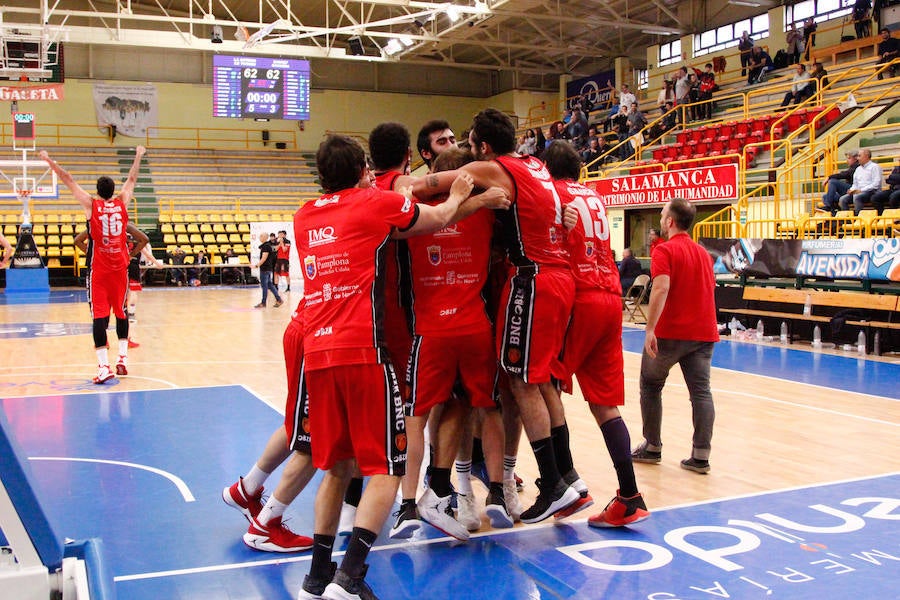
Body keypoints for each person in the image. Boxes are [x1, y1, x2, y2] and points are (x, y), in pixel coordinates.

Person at [293, 134, 483, 600]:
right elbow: (437, 218)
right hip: (364, 350)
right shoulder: (374, 204)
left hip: (317, 353)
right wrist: (461, 193)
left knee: (337, 467)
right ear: (363, 170)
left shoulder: (304, 216)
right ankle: (350, 576)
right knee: (386, 468)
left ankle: (317, 578)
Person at [411, 108, 584, 525]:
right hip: (551, 281)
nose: (460, 147)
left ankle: (537, 483)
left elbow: (417, 187)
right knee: (527, 385)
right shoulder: (536, 166)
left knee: (516, 386)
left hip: (525, 283)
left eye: (466, 141)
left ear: (483, 147)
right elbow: (556, 205)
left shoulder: (488, 173)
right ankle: (560, 478)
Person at [545, 141, 651, 528]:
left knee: (543, 386)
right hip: (610, 299)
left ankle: (564, 485)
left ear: (547, 169)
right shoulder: (594, 196)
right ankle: (630, 496)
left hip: (579, 298)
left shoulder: (554, 194)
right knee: (604, 405)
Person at [41, 146, 146, 383]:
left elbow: (68, 179)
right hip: (120, 268)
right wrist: (138, 155)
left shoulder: (91, 205)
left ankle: (103, 367)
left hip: (100, 270)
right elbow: (131, 179)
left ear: (97, 192)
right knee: (121, 312)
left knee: (99, 316)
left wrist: (49, 161)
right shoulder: (122, 202)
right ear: (113, 191)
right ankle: (122, 359)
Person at [632, 198, 719, 474]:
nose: (660, 218)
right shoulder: (703, 253)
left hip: (670, 333)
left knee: (650, 385)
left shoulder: (664, 250)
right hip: (703, 333)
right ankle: (701, 456)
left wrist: (650, 329)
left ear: (670, 221)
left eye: (662, 214)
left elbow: (661, 288)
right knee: (701, 393)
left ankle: (652, 446)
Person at [839, 148, 884, 214]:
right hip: (859, 191)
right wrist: (852, 190)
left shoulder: (875, 167)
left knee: (857, 197)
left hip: (871, 191)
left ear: (866, 156)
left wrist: (861, 190)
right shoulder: (858, 169)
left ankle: (858, 217)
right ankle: (848, 218)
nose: (857, 158)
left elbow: (876, 184)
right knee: (842, 199)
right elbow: (855, 184)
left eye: (859, 156)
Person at [819, 150, 860, 214]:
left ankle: (829, 206)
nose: (847, 161)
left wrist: (829, 177)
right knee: (825, 196)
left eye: (849, 158)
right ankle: (834, 211)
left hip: (854, 190)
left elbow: (844, 174)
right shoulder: (852, 167)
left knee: (832, 182)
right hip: (849, 189)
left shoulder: (857, 166)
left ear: (855, 158)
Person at [251, 232, 283, 308]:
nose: (260, 237)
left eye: (261, 236)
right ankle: (279, 299)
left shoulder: (266, 246)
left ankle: (263, 303)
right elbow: (274, 249)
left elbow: (264, 258)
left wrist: (256, 266)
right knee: (270, 285)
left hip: (265, 269)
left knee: (264, 286)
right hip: (268, 268)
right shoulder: (267, 245)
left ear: (264, 237)